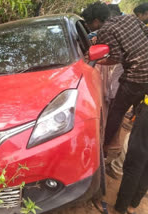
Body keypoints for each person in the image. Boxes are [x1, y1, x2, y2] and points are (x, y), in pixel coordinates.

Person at [81, 2, 148, 214]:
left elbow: (116, 58)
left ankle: (103, 150)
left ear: (96, 21)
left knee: (115, 115)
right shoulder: (129, 18)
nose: (92, 28)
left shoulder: (107, 29)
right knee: (140, 121)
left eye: (91, 25)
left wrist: (94, 61)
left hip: (135, 78)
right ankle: (124, 164)